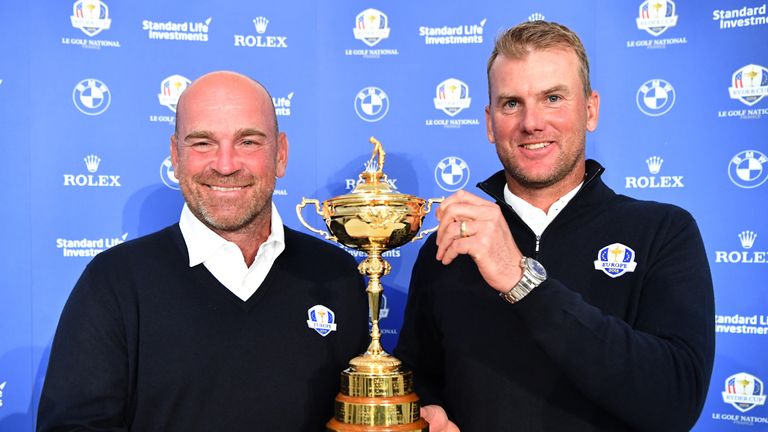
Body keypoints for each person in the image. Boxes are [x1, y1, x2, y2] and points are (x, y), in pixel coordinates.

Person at [394, 21, 714, 432]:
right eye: (511, 103)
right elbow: (418, 376)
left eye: (553, 98)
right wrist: (426, 411)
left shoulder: (663, 231)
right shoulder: (451, 245)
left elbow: (675, 402)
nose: (531, 122)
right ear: (490, 123)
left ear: (591, 109)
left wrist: (520, 277)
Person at [37, 71, 369, 431]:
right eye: (202, 143)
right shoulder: (114, 282)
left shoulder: (334, 274)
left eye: (248, 142)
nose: (225, 165)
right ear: (175, 158)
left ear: (281, 155)